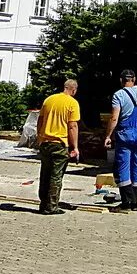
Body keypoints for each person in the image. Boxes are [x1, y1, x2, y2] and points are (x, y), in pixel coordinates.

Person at [104, 69, 137, 212]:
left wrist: (108, 136)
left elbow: (114, 118)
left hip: (124, 134)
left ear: (121, 80)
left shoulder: (119, 95)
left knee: (123, 167)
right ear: (134, 79)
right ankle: (135, 204)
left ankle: (126, 202)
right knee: (136, 166)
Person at [35, 78, 80, 215]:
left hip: (45, 142)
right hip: (60, 143)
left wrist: (40, 138)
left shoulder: (49, 100)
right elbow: (72, 126)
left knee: (45, 174)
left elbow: (40, 120)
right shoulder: (72, 103)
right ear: (73, 90)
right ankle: (51, 206)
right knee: (56, 176)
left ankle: (43, 204)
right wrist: (75, 147)